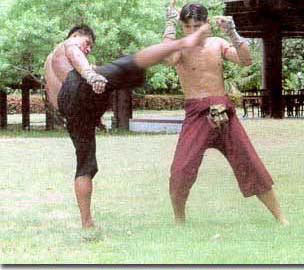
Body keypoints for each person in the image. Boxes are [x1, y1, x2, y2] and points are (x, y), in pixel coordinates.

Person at [44, 23, 211, 229]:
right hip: (78, 85)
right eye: (88, 44)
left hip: (70, 111)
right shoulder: (69, 43)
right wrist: (90, 74)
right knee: (134, 63)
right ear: (77, 35)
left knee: (84, 164)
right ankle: (184, 42)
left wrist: (90, 114)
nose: (87, 49)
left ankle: (87, 224)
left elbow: (58, 100)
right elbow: (73, 51)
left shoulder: (49, 63)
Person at [162, 0, 288, 225]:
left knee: (250, 163)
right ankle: (179, 220)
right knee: (181, 169)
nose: (193, 31)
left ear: (206, 24)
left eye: (197, 26)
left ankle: (281, 219)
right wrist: (169, 25)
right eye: (188, 26)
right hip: (195, 113)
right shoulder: (179, 47)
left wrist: (232, 32)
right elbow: (169, 60)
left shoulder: (217, 43)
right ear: (182, 26)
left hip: (223, 110)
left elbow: (246, 61)